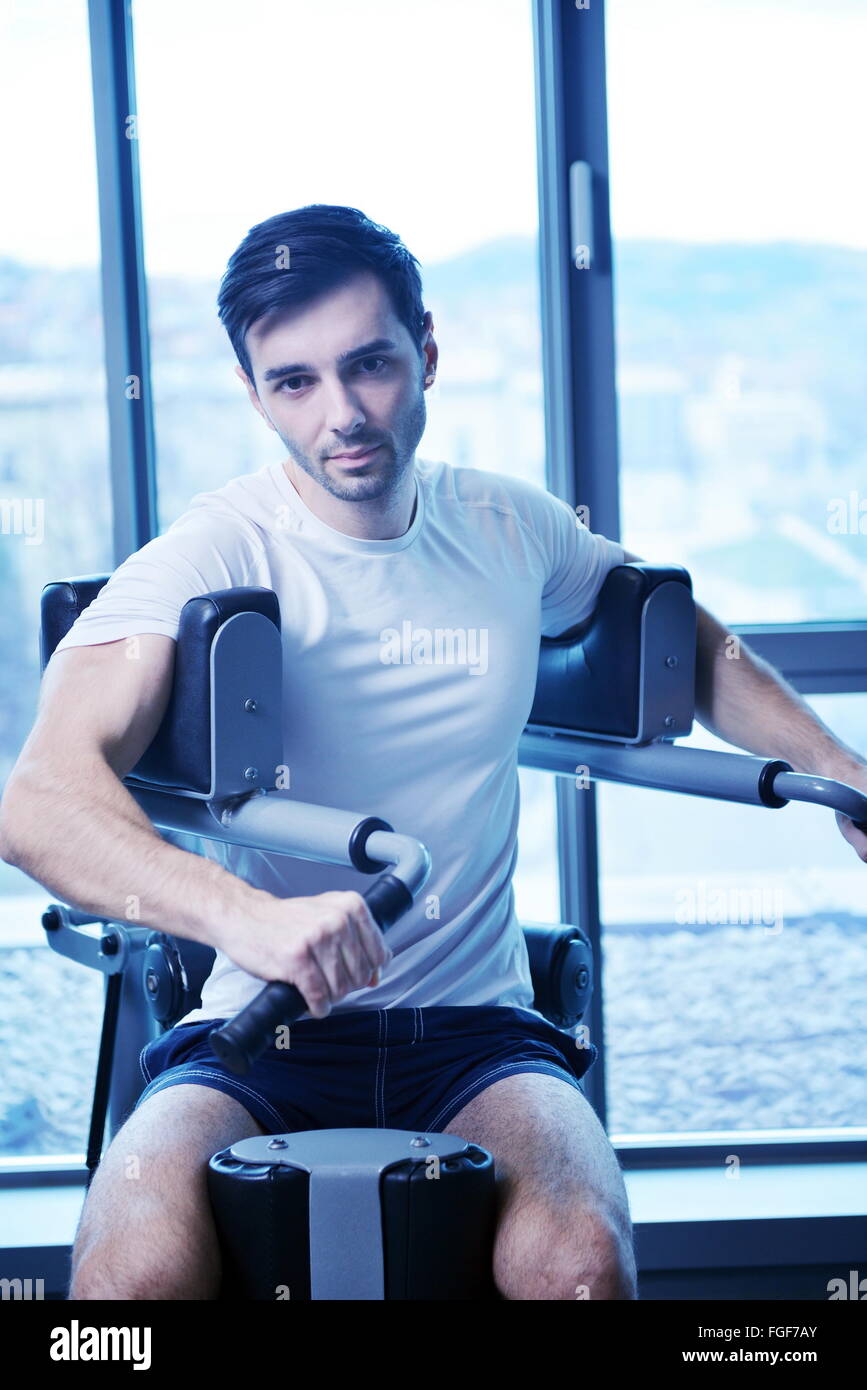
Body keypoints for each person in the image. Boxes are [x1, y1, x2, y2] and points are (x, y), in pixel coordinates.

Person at [3, 205, 864, 1302]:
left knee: (578, 1261)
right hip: (257, 1026)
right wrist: (250, 920)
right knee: (131, 1273)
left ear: (429, 352)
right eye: (295, 382)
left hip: (477, 1029)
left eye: (371, 364)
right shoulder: (211, 549)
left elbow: (682, 640)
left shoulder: (509, 528)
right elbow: (38, 801)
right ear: (254, 392)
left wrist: (843, 765)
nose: (345, 414)